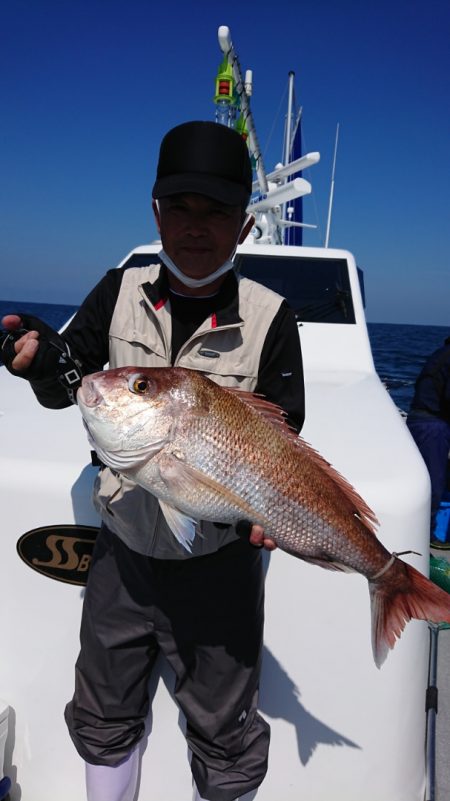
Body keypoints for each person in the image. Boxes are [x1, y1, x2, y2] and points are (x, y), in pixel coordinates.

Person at [1, 120, 305, 801]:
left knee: (225, 730)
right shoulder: (118, 288)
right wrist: (39, 363)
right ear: (155, 213)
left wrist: (270, 513)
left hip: (221, 566)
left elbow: (287, 435)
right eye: (181, 209)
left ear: (245, 225)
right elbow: (70, 376)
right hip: (123, 553)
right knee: (103, 708)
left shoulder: (273, 317)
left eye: (217, 211)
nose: (196, 228)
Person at [407, 336, 450, 543]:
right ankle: (426, 539)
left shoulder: (442, 354)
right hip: (432, 426)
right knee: (433, 485)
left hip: (424, 422)